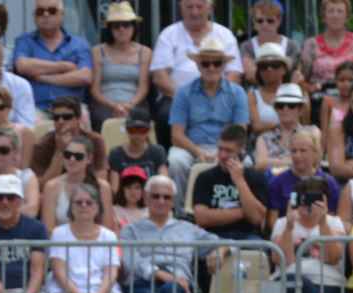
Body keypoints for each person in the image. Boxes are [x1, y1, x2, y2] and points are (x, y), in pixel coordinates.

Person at [168, 37, 249, 195]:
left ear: (224, 66)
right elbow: (176, 135)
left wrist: (223, 152)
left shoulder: (238, 93)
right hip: (192, 147)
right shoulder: (183, 92)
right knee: (176, 161)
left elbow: (240, 134)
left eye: (217, 63)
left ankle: (236, 206)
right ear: (198, 65)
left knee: (248, 163)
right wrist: (198, 151)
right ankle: (180, 212)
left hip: (227, 147)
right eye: (206, 63)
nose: (211, 68)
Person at [150, 0, 240, 129]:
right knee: (166, 115)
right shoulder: (168, 34)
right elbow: (160, 76)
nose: (194, 12)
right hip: (176, 97)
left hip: (219, 96)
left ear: (210, 8)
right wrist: (185, 99)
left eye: (199, 7)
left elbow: (234, 74)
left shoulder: (225, 35)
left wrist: (217, 98)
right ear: (181, 8)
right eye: (189, 7)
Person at [12, 0, 93, 118]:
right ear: (34, 16)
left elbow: (85, 77)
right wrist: (64, 66)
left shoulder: (79, 44)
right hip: (36, 107)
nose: (46, 15)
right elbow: (22, 65)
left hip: (72, 107)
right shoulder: (24, 41)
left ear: (62, 15)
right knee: (28, 123)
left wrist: (43, 78)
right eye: (40, 11)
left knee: (83, 117)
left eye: (52, 11)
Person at [90, 3, 151, 128]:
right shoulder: (97, 51)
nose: (121, 29)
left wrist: (128, 105)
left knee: (138, 120)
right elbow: (95, 90)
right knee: (103, 120)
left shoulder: (145, 52)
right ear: (110, 29)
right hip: (105, 104)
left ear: (133, 27)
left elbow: (143, 87)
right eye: (116, 26)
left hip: (135, 103)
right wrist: (113, 105)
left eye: (126, 25)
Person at [41, 135, 116, 230]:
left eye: (78, 156)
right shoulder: (51, 187)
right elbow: (48, 230)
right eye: (68, 155)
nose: (72, 159)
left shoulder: (103, 187)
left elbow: (107, 228)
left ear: (89, 159)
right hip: (62, 243)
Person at [266, 128, 340, 223]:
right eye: (294, 151)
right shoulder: (277, 182)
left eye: (303, 151)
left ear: (315, 153)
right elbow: (273, 222)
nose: (297, 155)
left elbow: (332, 218)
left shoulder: (329, 183)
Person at [298, 0, 353, 100]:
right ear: (323, 17)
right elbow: (301, 78)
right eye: (331, 11)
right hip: (320, 99)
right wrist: (310, 88)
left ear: (347, 17)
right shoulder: (311, 44)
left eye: (340, 11)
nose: (335, 16)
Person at [106, 106, 167, 194]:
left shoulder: (158, 152)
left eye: (142, 130)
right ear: (127, 130)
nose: (137, 134)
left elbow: (164, 184)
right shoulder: (116, 154)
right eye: (133, 129)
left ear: (149, 130)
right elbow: (114, 190)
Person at [240, 1, 301, 85]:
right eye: (260, 21)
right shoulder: (247, 46)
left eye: (270, 21)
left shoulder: (292, 46)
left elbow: (297, 76)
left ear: (279, 21)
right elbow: (250, 75)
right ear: (254, 22)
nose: (265, 24)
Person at [255, 84, 309, 170]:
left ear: (300, 109)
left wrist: (272, 162)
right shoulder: (263, 138)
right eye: (280, 105)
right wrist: (293, 161)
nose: (285, 109)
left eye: (291, 105)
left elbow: (313, 161)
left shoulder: (311, 133)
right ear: (276, 109)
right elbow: (260, 164)